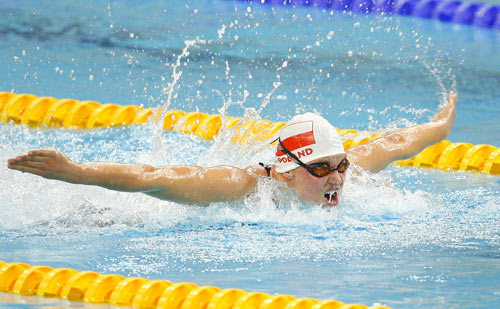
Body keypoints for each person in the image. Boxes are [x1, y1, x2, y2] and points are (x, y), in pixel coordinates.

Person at [7, 92, 457, 207]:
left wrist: (441, 124)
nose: (338, 178)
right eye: (321, 170)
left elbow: (399, 143)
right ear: (284, 171)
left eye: (339, 166)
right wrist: (76, 171)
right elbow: (154, 178)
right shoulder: (239, 187)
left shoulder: (344, 170)